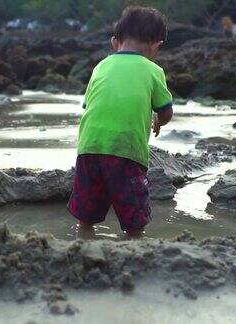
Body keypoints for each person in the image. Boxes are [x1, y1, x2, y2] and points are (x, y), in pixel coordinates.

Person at [67, 6, 173, 239]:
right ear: (156, 46)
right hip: (126, 150)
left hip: (89, 146)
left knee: (87, 210)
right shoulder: (153, 70)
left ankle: (84, 236)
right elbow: (166, 111)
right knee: (133, 215)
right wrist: (159, 121)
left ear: (115, 42)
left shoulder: (100, 67)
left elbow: (89, 106)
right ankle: (135, 241)